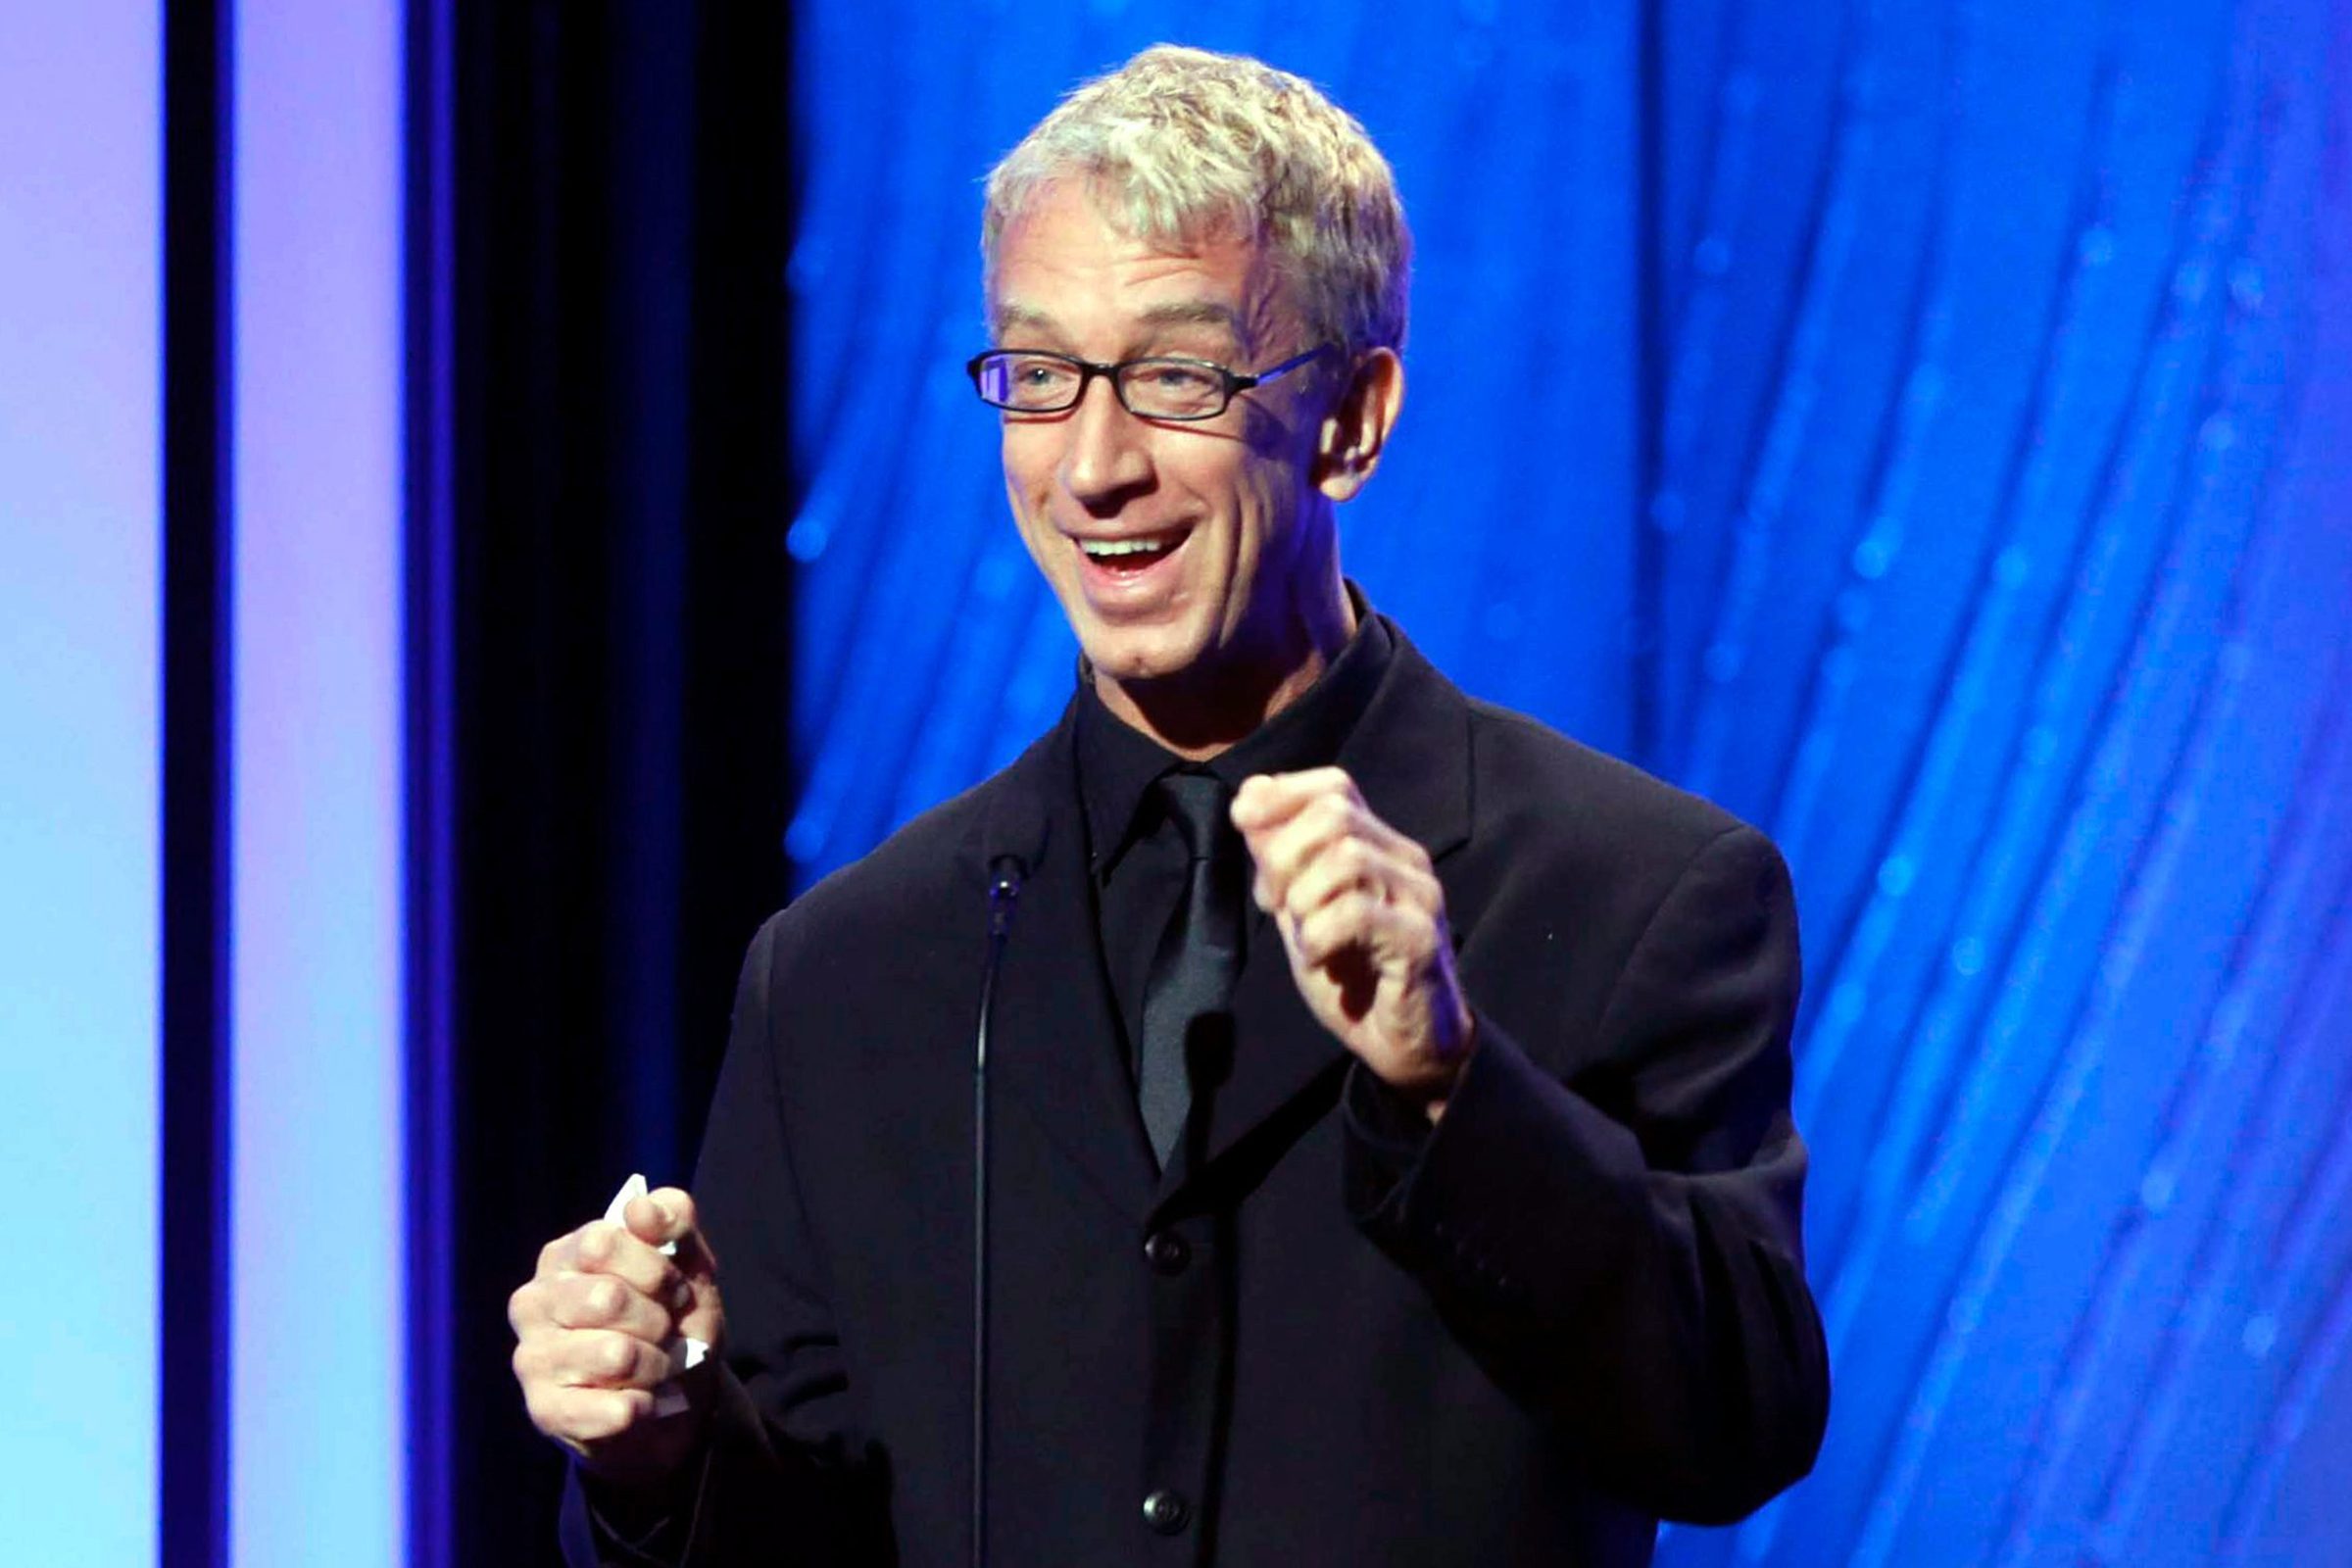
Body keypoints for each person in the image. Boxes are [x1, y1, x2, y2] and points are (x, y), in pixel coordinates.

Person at [508, 43, 1828, 1566]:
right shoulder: (846, 973)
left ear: (1351, 418)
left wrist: (1450, 1089)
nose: (1093, 467)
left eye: (1178, 377)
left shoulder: (1642, 891)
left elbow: (1741, 1420)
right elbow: (804, 1534)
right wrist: (659, 1452)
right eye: (1042, 374)